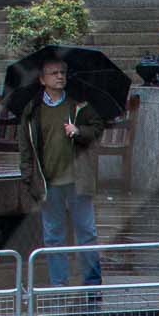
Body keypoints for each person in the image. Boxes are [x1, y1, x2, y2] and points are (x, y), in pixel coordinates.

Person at [17, 57, 106, 290]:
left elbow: (97, 130)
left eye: (63, 72)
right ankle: (59, 285)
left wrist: (79, 131)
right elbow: (25, 148)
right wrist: (29, 178)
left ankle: (92, 286)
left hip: (78, 180)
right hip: (49, 182)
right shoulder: (33, 110)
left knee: (86, 233)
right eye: (54, 73)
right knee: (54, 236)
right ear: (42, 79)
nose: (60, 76)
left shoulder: (78, 106)